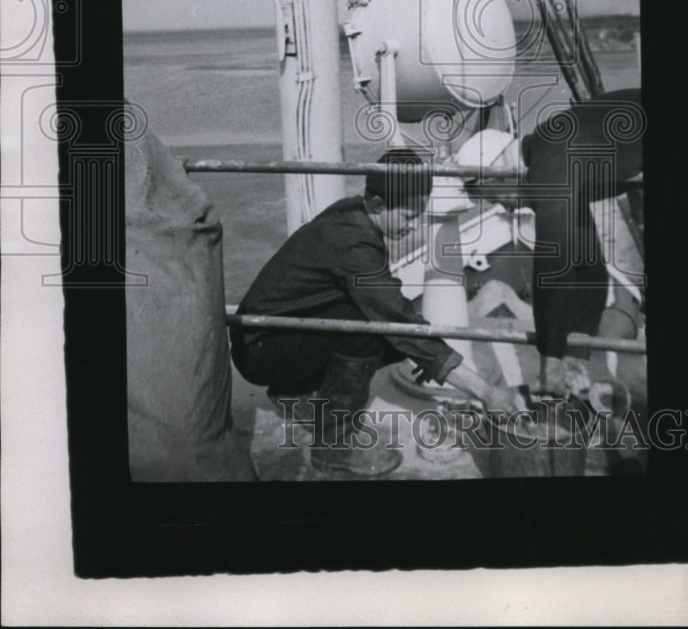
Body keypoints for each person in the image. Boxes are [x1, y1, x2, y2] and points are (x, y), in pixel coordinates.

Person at [231, 148, 521, 478]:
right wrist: (485, 391)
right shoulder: (353, 243)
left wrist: (427, 354)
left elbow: (391, 308)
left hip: (265, 337)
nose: (413, 227)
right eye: (410, 216)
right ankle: (334, 446)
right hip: (261, 347)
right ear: (379, 204)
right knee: (373, 330)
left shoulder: (354, 214)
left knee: (390, 330)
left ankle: (294, 393)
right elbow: (394, 318)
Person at [458, 88, 644, 398]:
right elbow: (588, 267)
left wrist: (551, 365)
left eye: (494, 198)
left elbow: (552, 271)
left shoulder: (549, 167)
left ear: (497, 175)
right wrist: (577, 354)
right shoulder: (554, 150)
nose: (504, 209)